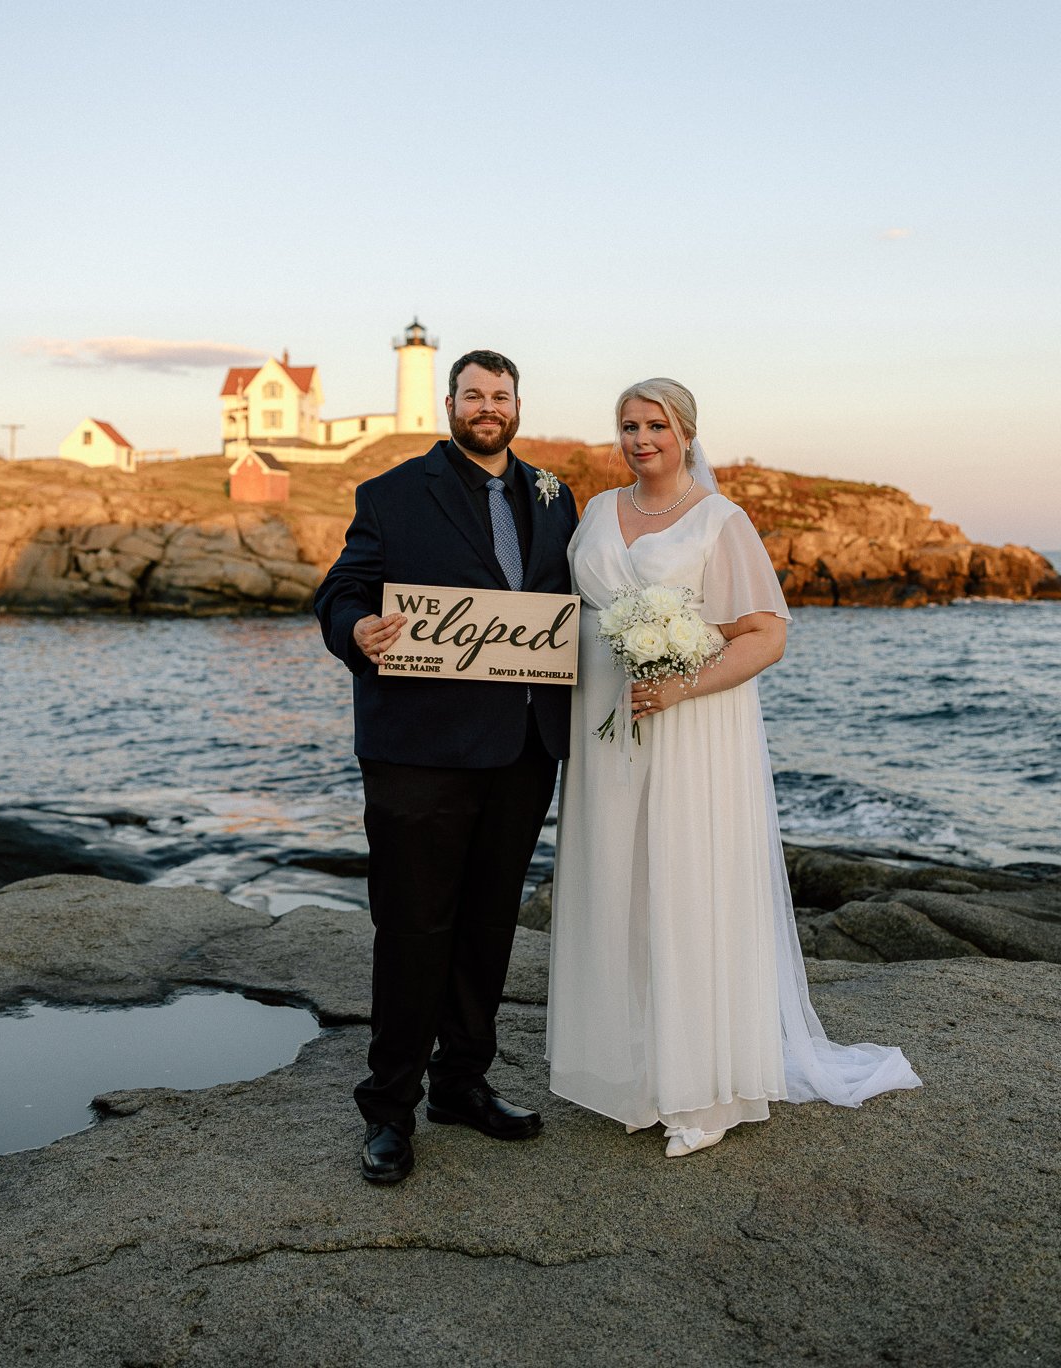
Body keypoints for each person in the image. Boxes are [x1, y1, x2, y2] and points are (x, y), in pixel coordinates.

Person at [547, 378, 920, 1156]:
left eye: (655, 425)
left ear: (685, 432)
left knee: (687, 885)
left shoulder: (722, 520)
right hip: (605, 731)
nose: (640, 438)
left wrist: (682, 685)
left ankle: (705, 1085)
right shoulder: (592, 512)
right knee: (616, 882)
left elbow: (764, 633)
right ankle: (629, 1068)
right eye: (627, 426)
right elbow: (564, 616)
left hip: (692, 730)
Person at [316, 349, 579, 1184]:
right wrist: (355, 632)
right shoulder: (391, 494)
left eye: (501, 396)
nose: (488, 408)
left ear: (517, 405)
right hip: (419, 751)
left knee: (488, 925)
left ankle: (461, 1083)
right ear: (451, 403)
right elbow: (344, 592)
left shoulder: (555, 495)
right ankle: (388, 1109)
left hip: (523, 748)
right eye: (474, 395)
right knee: (413, 930)